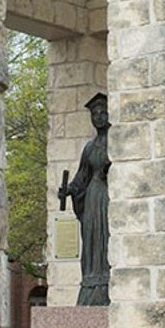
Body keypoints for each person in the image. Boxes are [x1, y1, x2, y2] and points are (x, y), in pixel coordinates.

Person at [58, 92, 111, 306]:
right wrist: (69, 190)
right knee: (91, 239)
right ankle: (91, 285)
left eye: (102, 113)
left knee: (106, 238)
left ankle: (106, 285)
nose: (98, 117)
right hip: (92, 198)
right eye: (94, 114)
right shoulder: (89, 147)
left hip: (107, 198)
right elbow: (82, 176)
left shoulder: (115, 140)